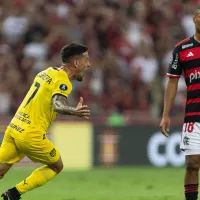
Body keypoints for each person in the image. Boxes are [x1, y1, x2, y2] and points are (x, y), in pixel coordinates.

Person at [0, 43, 91, 200]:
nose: (88, 64)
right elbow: (57, 104)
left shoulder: (45, 72)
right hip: (31, 134)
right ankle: (14, 193)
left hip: (14, 127)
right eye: (86, 60)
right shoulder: (63, 81)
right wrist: (73, 111)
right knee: (57, 166)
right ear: (76, 63)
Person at [159, 9, 200, 200]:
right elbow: (172, 82)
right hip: (194, 115)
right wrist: (165, 114)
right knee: (192, 163)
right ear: (194, 19)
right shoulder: (182, 49)